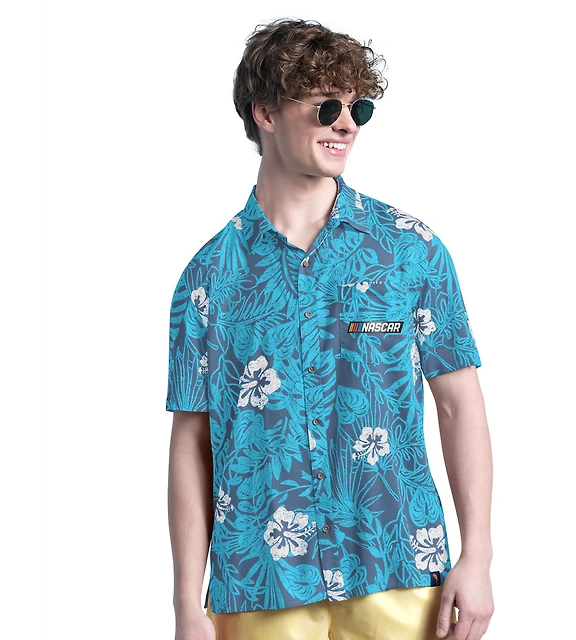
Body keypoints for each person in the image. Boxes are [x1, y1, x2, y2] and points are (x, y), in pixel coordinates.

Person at [167, 17, 494, 640]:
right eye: (325, 106)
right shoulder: (208, 277)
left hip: (399, 567)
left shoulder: (411, 251)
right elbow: (192, 441)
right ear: (265, 112)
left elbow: (459, 405)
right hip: (260, 583)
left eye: (357, 107)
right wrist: (187, 602)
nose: (346, 123)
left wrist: (477, 556)